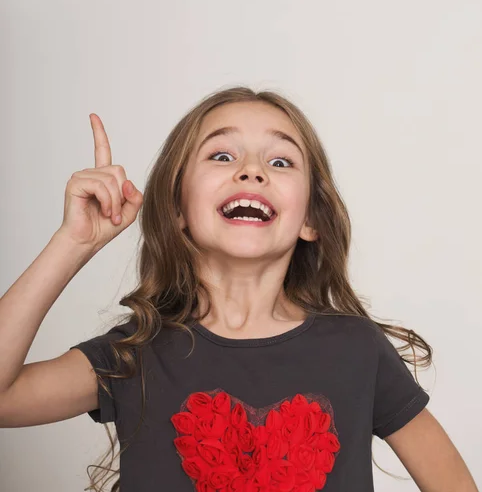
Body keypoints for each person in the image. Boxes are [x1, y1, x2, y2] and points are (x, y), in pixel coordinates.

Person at [0, 86, 478, 492]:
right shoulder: (133, 354)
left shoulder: (358, 350)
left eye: (280, 160)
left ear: (311, 218)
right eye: (222, 155)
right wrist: (72, 244)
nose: (252, 170)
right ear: (178, 208)